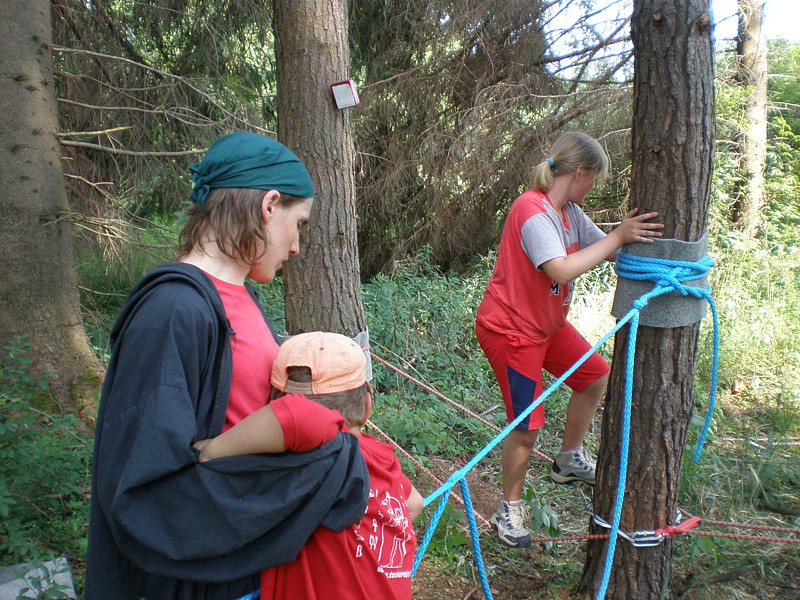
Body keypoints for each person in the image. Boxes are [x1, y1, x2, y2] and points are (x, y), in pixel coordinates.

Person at [85, 132, 370, 600]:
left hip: (246, 571)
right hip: (202, 581)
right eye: (298, 224)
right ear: (269, 205)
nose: (297, 246)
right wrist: (325, 470)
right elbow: (144, 492)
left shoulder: (243, 301)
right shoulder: (173, 310)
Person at [475, 131, 664, 548]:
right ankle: (509, 509)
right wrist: (618, 236)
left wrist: (643, 244)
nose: (593, 187)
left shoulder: (569, 212)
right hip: (512, 332)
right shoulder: (532, 210)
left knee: (594, 375)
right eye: (593, 178)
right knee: (527, 425)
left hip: (546, 327)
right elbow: (559, 269)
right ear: (580, 172)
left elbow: (609, 249)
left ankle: (568, 457)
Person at [195, 331, 425, 600]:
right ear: (367, 406)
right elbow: (415, 504)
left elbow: (299, 415)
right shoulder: (380, 458)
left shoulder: (321, 460)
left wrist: (211, 450)